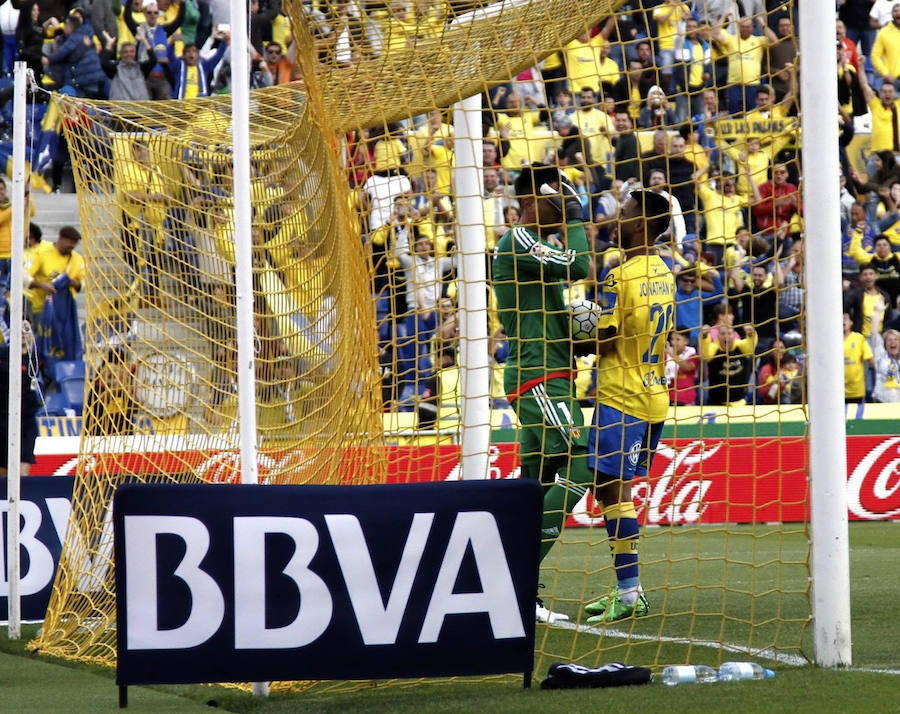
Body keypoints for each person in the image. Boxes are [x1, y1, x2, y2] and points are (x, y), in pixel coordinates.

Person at [491, 163, 590, 623]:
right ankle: (518, 576)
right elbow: (583, 264)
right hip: (539, 378)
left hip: (547, 374)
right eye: (559, 197)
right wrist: (575, 215)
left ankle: (510, 585)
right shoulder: (519, 241)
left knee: (537, 485)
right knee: (581, 464)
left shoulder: (535, 247)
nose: (566, 203)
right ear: (534, 200)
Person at [582, 189, 674, 624]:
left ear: (639, 224)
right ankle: (628, 587)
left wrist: (576, 324)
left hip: (622, 396)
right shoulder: (665, 272)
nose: (615, 217)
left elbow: (603, 339)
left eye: (624, 211)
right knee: (610, 490)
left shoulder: (620, 275)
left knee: (613, 492)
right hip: (654, 393)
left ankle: (630, 592)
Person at [0, 321, 42, 476]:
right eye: (20, 330)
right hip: (3, 419)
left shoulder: (36, 358)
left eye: (27, 330)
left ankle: (21, 498)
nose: (23, 334)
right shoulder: (3, 355)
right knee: (4, 472)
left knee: (23, 469)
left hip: (26, 421)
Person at [701, 322, 758, 405]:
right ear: (718, 336)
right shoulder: (713, 350)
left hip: (739, 403)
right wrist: (704, 336)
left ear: (734, 335)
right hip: (716, 403)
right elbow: (706, 348)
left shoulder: (742, 348)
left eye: (729, 333)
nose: (726, 336)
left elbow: (750, 343)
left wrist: (750, 333)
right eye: (723, 333)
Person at [843, 312, 874, 402]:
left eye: (845, 319)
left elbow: (871, 360)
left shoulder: (859, 338)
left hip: (856, 390)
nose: (842, 322)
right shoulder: (832, 340)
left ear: (851, 322)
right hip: (837, 390)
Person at [871, 3, 900, 92]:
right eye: (895, 11)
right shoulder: (884, 32)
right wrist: (886, 74)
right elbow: (875, 56)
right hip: (893, 80)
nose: (898, 13)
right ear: (891, 14)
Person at [665, 329, 699, 405]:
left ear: (686, 341)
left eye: (677, 339)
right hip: (668, 398)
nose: (673, 342)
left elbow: (687, 367)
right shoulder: (665, 355)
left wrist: (672, 355)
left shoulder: (692, 355)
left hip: (686, 399)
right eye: (672, 339)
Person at [872, 328, 900, 402]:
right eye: (889, 340)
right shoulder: (880, 357)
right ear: (885, 344)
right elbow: (874, 336)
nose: (893, 342)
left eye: (896, 339)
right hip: (882, 401)